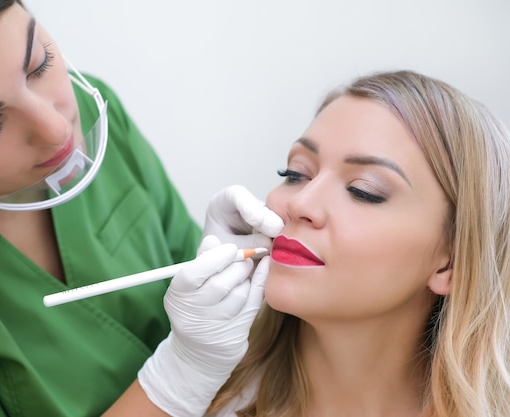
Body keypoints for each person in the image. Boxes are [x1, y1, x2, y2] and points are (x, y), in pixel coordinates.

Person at [0, 1, 283, 416]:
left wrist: (231, 278)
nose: (57, 130)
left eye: (39, 65)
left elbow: (196, 282)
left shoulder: (91, 112)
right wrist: (178, 381)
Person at [207, 70, 510, 417]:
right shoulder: (206, 400)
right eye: (295, 173)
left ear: (450, 263)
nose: (301, 203)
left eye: (363, 190)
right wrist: (179, 374)